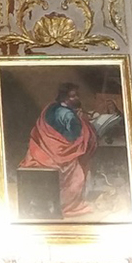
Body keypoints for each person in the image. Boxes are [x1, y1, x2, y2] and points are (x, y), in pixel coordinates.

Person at [19, 81, 100, 217]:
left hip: (42, 153)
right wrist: (83, 122)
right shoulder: (68, 116)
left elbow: (46, 132)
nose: (77, 98)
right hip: (62, 156)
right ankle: (67, 206)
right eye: (73, 96)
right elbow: (73, 138)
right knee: (77, 176)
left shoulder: (51, 108)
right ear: (65, 98)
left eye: (76, 95)